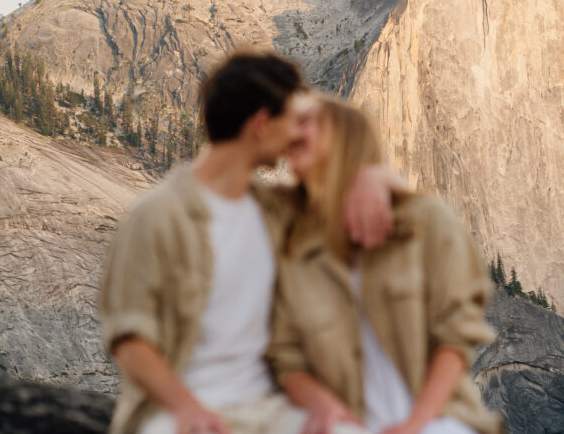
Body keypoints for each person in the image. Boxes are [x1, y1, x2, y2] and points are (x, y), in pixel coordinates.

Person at [99, 52, 394, 434]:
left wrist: (369, 173)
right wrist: (188, 409)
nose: (297, 134)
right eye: (291, 120)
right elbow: (129, 338)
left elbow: (347, 203)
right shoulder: (158, 217)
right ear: (261, 124)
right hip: (174, 413)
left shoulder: (273, 210)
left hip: (267, 411)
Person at [268, 97, 502, 434]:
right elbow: (286, 357)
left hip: (436, 421)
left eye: (307, 121)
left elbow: (457, 335)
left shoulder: (427, 221)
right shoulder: (292, 245)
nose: (293, 130)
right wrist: (329, 411)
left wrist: (415, 424)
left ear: (343, 136)